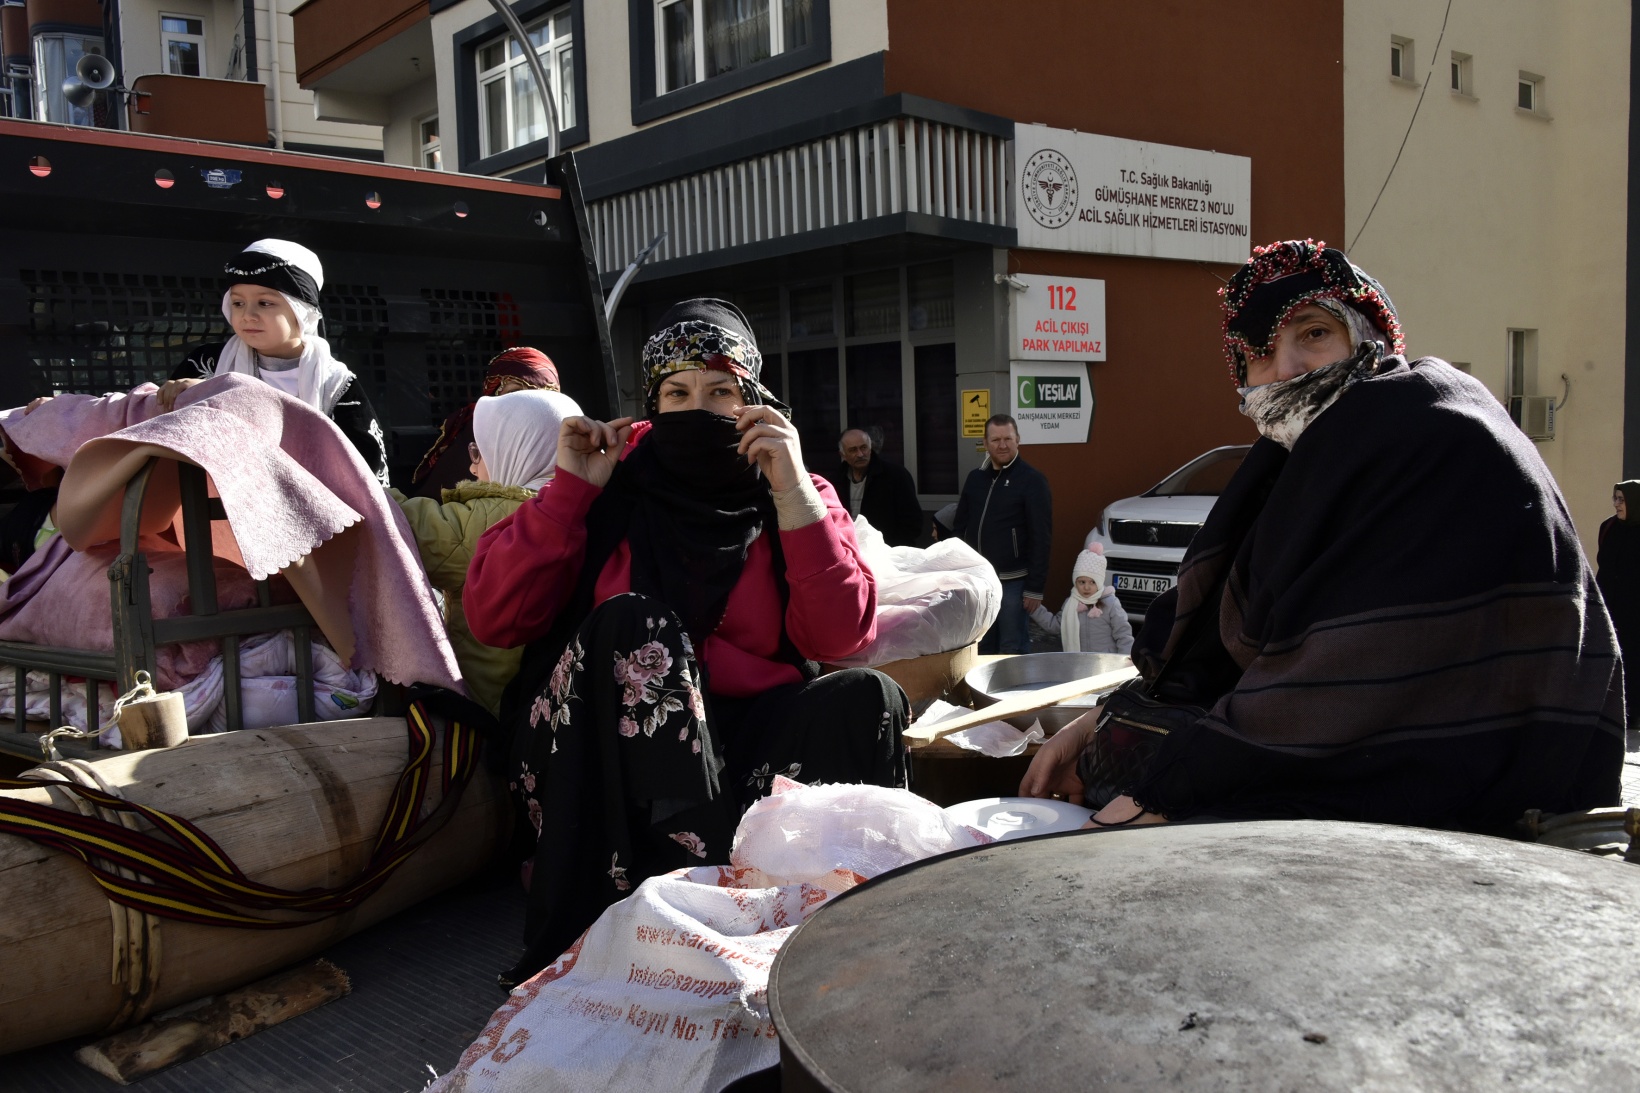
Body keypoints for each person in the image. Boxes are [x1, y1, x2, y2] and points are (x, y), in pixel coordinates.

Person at [1022, 238, 1622, 833]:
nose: (1283, 370)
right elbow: (1219, 658)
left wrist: (1158, 798)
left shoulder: (1439, 440)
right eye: (1258, 352)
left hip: (1482, 821)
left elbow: (1345, 686)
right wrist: (1102, 728)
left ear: (1370, 342)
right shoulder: (1296, 467)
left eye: (1313, 333)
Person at [464, 298, 909, 983]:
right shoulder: (608, 481)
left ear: (752, 402)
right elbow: (494, 616)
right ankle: (678, 911)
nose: (698, 409)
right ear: (654, 403)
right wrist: (570, 493)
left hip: (742, 750)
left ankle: (840, 918)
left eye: (720, 392)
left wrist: (793, 494)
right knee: (640, 625)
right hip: (604, 757)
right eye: (677, 393)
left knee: (867, 696)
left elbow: (844, 635)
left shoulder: (791, 486)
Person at [390, 389, 581, 719]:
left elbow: (395, 521)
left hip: (490, 707)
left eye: (479, 453)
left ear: (514, 450)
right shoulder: (583, 508)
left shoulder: (485, 519)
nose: (472, 466)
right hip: (564, 703)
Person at [157, 239, 389, 485]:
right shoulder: (206, 363)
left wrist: (219, 392)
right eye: (238, 303)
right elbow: (165, 437)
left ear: (300, 310)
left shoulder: (335, 384)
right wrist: (191, 396)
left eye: (265, 303)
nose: (247, 315)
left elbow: (367, 475)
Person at [951, 415, 1052, 654]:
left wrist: (1035, 588)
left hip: (1013, 582)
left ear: (1018, 440)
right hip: (978, 580)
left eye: (1008, 438)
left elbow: (1041, 537)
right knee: (981, 644)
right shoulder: (975, 478)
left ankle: (1015, 681)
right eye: (996, 440)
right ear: (985, 443)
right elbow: (960, 525)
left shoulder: (1032, 480)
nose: (1002, 445)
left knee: (1011, 647)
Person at [408, 347, 562, 500]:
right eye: (514, 393)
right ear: (494, 393)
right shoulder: (475, 430)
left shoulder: (564, 436)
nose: (526, 404)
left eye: (541, 396)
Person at [824, 427, 924, 546]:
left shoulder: (895, 475)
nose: (860, 454)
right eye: (853, 450)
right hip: (848, 548)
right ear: (843, 454)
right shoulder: (835, 481)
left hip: (887, 550)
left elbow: (912, 520)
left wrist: (892, 548)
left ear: (870, 448)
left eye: (864, 448)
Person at [1030, 544, 1132, 655]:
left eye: (1092, 582)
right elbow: (1055, 626)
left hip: (1106, 661)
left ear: (1099, 582)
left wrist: (1125, 659)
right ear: (1075, 582)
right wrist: (1034, 608)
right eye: (1082, 582)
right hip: (1079, 662)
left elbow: (1123, 634)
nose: (1086, 587)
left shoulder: (1110, 603)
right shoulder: (1071, 603)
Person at [1597, 481, 1640, 730]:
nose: (1617, 504)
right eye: (1615, 498)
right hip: (1610, 606)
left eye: (1622, 500)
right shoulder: (1608, 527)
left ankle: (1633, 712)